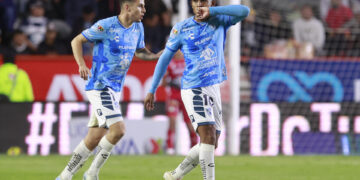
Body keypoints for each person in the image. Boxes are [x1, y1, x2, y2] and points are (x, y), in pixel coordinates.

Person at [56, 0, 161, 179]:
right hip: (100, 85)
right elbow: (77, 41)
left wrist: (159, 55)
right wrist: (81, 65)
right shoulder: (106, 26)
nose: (144, 10)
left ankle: (64, 176)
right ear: (127, 7)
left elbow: (141, 51)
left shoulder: (138, 28)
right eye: (140, 6)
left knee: (94, 138)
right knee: (118, 130)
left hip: (114, 89)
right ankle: (92, 173)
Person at [144, 1, 250, 180]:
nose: (199, 3)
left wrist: (213, 11)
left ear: (212, 2)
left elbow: (244, 11)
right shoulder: (181, 28)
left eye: (204, 0)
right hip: (193, 87)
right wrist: (152, 88)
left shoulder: (219, 20)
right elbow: (164, 59)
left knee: (212, 142)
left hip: (213, 86)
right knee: (207, 135)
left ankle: (175, 175)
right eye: (195, 0)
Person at [161, 51, 197, 155]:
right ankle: (169, 148)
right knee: (172, 122)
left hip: (187, 97)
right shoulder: (169, 63)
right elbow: (163, 83)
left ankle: (194, 148)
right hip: (174, 96)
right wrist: (168, 80)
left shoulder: (188, 62)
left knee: (190, 124)